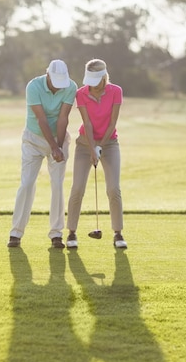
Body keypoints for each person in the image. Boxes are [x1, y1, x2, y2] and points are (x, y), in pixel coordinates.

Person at [7, 59, 77, 249]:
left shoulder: (70, 86)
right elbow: (41, 119)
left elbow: (63, 119)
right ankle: (16, 232)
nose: (58, 85)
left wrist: (60, 146)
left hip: (59, 137)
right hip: (33, 139)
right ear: (48, 75)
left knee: (57, 185)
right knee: (27, 183)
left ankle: (56, 234)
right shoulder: (34, 86)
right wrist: (53, 147)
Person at [66, 58, 127, 249]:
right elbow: (88, 124)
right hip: (85, 144)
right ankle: (71, 233)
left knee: (113, 189)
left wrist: (101, 146)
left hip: (110, 143)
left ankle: (118, 233)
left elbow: (112, 123)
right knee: (77, 188)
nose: (91, 85)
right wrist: (93, 148)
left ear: (103, 77)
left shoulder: (115, 91)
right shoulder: (81, 94)